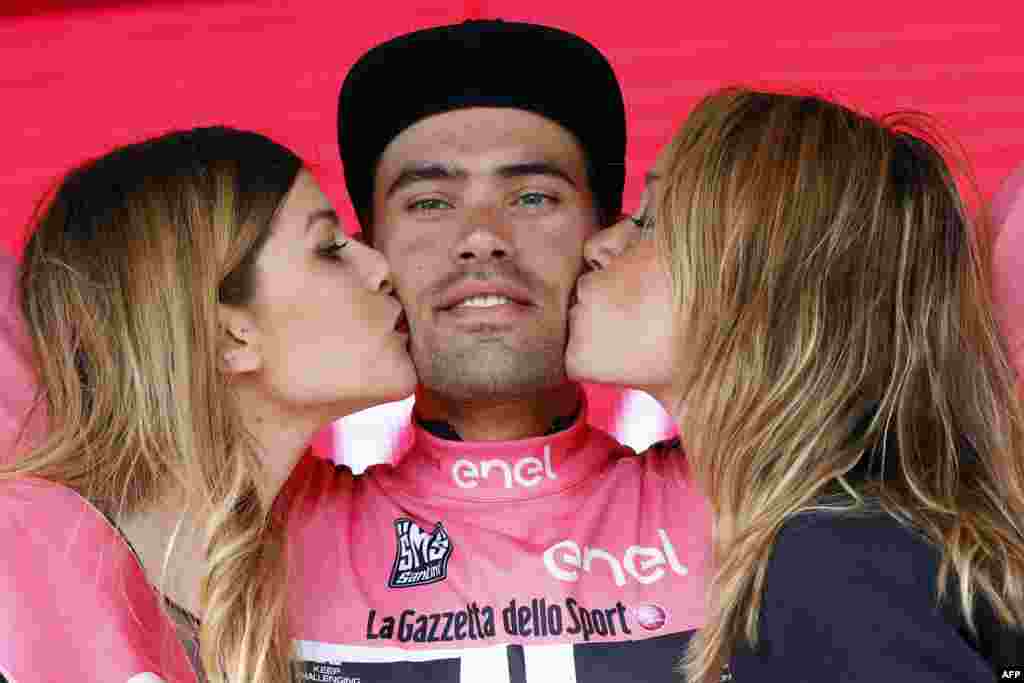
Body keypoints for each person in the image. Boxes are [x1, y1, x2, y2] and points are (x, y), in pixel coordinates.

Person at [281, 19, 712, 682]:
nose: (482, 237)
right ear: (368, 252)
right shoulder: (257, 534)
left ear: (607, 237)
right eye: (429, 203)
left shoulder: (759, 506)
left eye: (533, 196)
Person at [568, 87, 1024, 681]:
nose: (601, 244)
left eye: (652, 220)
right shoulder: (856, 544)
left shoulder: (834, 564)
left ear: (767, 285)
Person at [0, 126, 416, 682]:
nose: (380, 268)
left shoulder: (270, 597)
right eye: (330, 249)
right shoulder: (21, 570)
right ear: (228, 337)